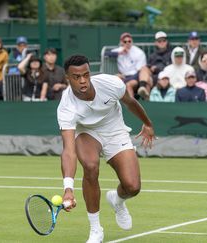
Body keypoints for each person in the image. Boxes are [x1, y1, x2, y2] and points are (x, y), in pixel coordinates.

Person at [58, 55, 155, 243]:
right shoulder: (66, 107)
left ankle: (117, 200)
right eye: (76, 77)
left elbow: (131, 103)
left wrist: (147, 124)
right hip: (87, 133)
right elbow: (68, 150)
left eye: (86, 75)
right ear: (67, 79)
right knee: (90, 166)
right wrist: (68, 188)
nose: (83, 80)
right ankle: (96, 230)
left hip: (115, 130)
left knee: (132, 187)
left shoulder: (111, 84)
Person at [106, 32, 150, 99]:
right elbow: (106, 53)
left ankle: (134, 105)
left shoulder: (138, 52)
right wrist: (119, 53)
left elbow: (140, 70)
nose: (127, 43)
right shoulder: (119, 50)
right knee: (114, 80)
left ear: (132, 41)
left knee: (128, 85)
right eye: (125, 41)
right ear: (121, 42)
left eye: (129, 41)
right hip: (124, 76)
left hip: (135, 77)